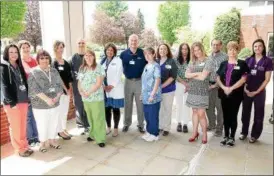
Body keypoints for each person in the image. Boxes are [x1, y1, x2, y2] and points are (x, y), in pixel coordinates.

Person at [1, 44, 33, 157]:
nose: (14, 54)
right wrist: (11, 101)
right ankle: (19, 149)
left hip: (23, 99)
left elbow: (24, 82)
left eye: (15, 52)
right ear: (6, 54)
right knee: (15, 126)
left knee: (22, 125)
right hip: (12, 103)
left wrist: (28, 98)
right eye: (11, 52)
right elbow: (4, 86)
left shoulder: (19, 65)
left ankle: (25, 145)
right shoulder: (4, 67)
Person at [28, 49, 64, 152]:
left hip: (55, 103)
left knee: (53, 122)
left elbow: (59, 85)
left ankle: (52, 140)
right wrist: (47, 99)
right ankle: (42, 143)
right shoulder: (33, 72)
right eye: (42, 58)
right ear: (38, 60)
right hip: (40, 105)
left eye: (46, 58)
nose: (44, 60)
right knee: (42, 124)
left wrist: (57, 97)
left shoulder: (54, 71)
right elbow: (34, 89)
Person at [216, 41, 249, 147]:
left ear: (237, 51)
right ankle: (225, 136)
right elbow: (217, 77)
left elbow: (244, 79)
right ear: (227, 51)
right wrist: (224, 87)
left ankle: (232, 137)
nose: (232, 51)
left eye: (234, 49)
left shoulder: (242, 64)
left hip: (236, 95)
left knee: (233, 115)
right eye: (230, 49)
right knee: (225, 115)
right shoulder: (223, 64)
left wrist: (231, 88)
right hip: (223, 93)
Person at [240, 39, 273, 143]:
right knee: (245, 113)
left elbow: (267, 79)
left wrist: (257, 91)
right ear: (253, 48)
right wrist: (244, 87)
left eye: (259, 46)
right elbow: (244, 75)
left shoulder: (267, 61)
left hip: (260, 92)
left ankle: (255, 135)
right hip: (247, 90)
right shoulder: (248, 60)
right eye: (255, 46)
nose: (257, 48)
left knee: (259, 115)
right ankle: (244, 132)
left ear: (263, 48)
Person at [77, 49, 106, 148]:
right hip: (86, 99)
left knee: (98, 118)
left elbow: (98, 83)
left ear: (94, 57)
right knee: (90, 117)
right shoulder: (82, 68)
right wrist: (81, 92)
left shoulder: (99, 68)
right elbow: (79, 82)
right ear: (84, 57)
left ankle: (100, 138)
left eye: (90, 55)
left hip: (96, 98)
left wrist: (88, 92)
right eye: (86, 56)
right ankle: (92, 134)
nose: (88, 57)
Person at [185, 42, 213, 144]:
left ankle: (204, 134)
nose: (196, 52)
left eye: (198, 50)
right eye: (194, 50)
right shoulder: (192, 61)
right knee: (194, 112)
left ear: (202, 49)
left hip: (202, 91)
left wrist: (192, 75)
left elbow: (203, 77)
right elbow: (186, 75)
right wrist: (197, 73)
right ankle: (195, 133)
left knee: (201, 113)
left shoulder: (208, 61)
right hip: (193, 90)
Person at [120, 34, 147, 133]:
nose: (133, 42)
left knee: (140, 104)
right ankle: (126, 124)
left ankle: (140, 124)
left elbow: (148, 65)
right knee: (127, 103)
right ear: (129, 42)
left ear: (138, 42)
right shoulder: (123, 54)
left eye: (135, 40)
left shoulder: (142, 53)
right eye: (132, 40)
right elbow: (121, 68)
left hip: (139, 81)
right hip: (128, 81)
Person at [18, 40, 39, 146]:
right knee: (28, 116)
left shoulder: (34, 60)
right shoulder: (20, 62)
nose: (26, 49)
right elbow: (32, 72)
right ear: (20, 49)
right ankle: (30, 138)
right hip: (26, 93)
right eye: (23, 48)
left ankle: (36, 137)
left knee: (35, 115)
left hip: (36, 92)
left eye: (27, 47)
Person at [100, 43, 124, 137]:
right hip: (104, 89)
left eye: (111, 50)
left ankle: (116, 129)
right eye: (108, 50)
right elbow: (99, 74)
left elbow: (119, 74)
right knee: (107, 109)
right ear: (105, 51)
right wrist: (103, 86)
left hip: (115, 88)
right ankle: (108, 127)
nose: (109, 52)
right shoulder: (102, 61)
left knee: (115, 109)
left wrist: (111, 85)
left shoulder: (118, 61)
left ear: (114, 52)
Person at [205, 39, 228, 137]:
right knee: (209, 107)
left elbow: (226, 74)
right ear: (211, 45)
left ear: (221, 46)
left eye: (217, 45)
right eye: (213, 45)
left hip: (220, 86)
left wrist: (216, 85)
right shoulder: (208, 57)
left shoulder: (225, 57)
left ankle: (219, 129)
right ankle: (212, 125)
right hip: (208, 86)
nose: (215, 46)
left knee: (220, 109)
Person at [52, 40, 73, 140]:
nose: (61, 49)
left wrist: (69, 89)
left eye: (62, 47)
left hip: (67, 91)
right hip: (58, 91)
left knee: (65, 111)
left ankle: (64, 129)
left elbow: (69, 77)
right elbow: (57, 78)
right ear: (55, 48)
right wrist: (65, 88)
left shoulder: (66, 63)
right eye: (59, 47)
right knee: (59, 111)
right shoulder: (53, 63)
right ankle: (59, 131)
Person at [156, 43, 178, 136]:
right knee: (160, 109)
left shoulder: (171, 61)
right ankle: (160, 126)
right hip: (157, 90)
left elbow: (172, 77)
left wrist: (161, 86)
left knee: (167, 108)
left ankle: (166, 128)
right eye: (161, 49)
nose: (162, 51)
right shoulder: (156, 61)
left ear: (168, 51)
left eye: (164, 49)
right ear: (158, 50)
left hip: (168, 89)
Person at [141, 47, 161, 142]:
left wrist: (152, 94)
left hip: (153, 96)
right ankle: (149, 131)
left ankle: (154, 134)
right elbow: (144, 81)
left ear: (153, 54)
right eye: (146, 54)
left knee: (153, 115)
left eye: (149, 54)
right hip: (145, 96)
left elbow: (157, 80)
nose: (147, 56)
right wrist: (142, 94)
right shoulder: (147, 65)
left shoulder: (156, 66)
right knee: (147, 115)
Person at [70, 38, 89, 134]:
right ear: (77, 45)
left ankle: (88, 125)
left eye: (83, 43)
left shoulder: (88, 56)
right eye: (79, 43)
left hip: (87, 86)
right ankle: (81, 125)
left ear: (85, 45)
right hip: (76, 86)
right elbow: (71, 72)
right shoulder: (73, 58)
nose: (81, 44)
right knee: (79, 105)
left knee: (87, 105)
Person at [175, 43, 191, 133]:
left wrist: (188, 84)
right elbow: (175, 74)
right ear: (180, 50)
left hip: (189, 85)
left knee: (186, 105)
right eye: (183, 49)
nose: (184, 51)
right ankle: (179, 123)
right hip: (179, 84)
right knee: (179, 104)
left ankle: (185, 124)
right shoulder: (176, 60)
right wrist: (184, 83)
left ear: (188, 50)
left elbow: (193, 72)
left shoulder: (191, 61)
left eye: (186, 49)